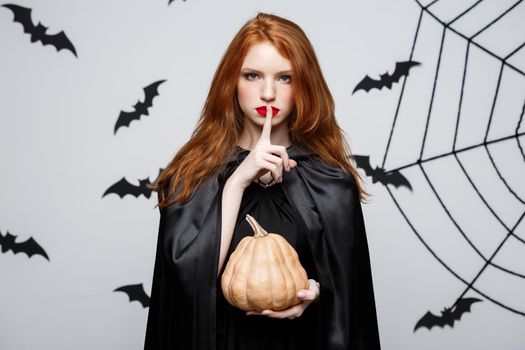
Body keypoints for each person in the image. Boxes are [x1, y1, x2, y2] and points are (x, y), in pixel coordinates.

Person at [144, 12, 381, 350]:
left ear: (304, 86)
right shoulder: (192, 174)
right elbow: (187, 283)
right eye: (252, 75)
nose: (267, 93)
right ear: (231, 82)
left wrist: (315, 294)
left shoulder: (330, 180)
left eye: (285, 78)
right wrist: (237, 182)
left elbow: (348, 303)